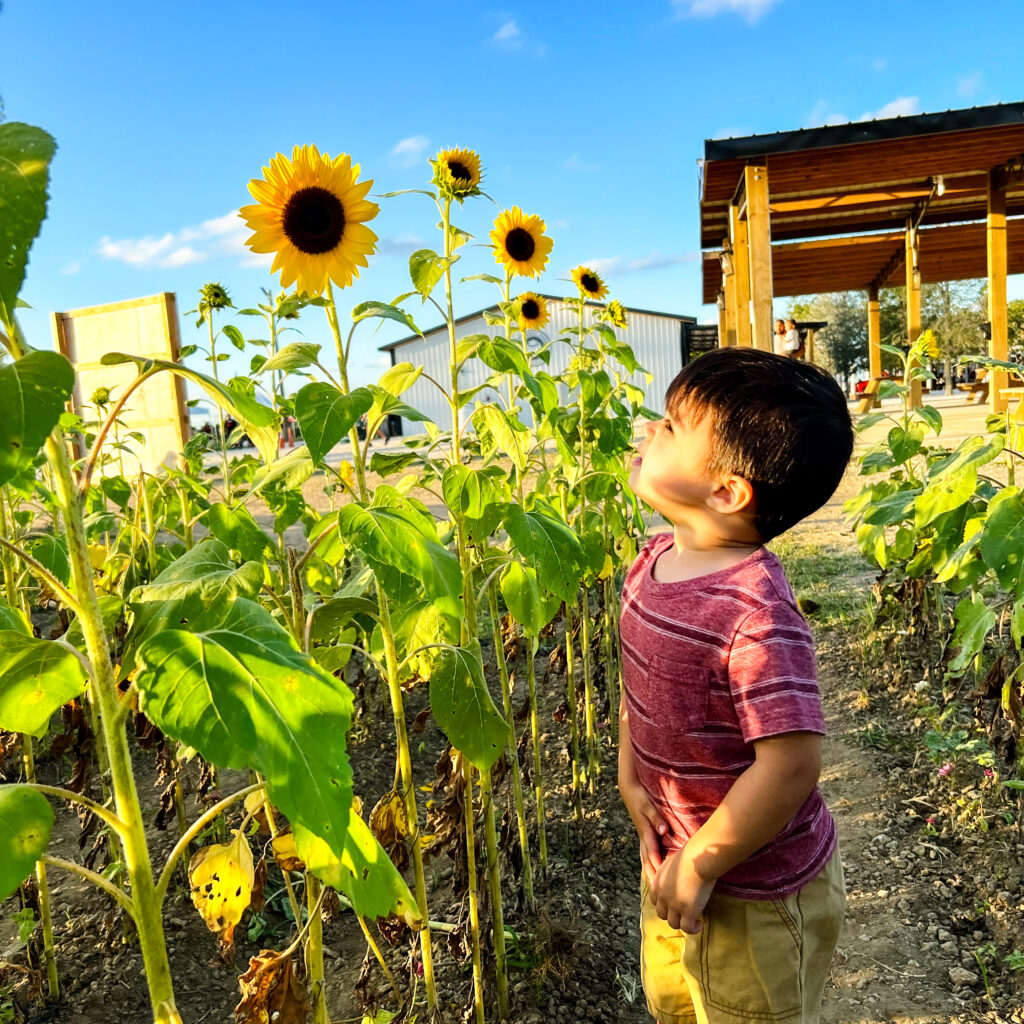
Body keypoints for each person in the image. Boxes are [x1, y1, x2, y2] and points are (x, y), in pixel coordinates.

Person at [619, 348, 854, 1024]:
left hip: (753, 892)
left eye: (670, 425)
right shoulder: (654, 559)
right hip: (673, 865)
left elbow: (791, 764)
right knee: (680, 1008)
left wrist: (703, 863)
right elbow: (644, 683)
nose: (650, 430)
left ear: (726, 491)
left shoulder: (755, 611)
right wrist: (630, 774)